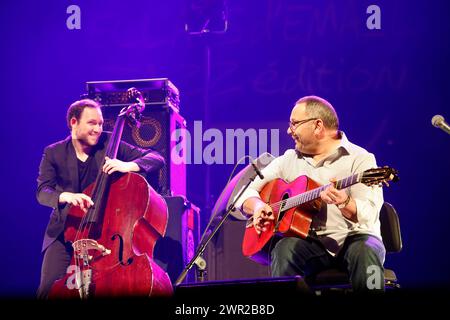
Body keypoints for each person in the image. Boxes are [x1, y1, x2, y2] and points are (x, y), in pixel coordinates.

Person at [238, 96, 386, 293]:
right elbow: (243, 194)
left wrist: (345, 202)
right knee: (284, 249)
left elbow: (369, 214)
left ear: (318, 126)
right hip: (312, 244)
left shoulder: (361, 160)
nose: (289, 130)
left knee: (366, 251)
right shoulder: (288, 160)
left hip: (355, 238)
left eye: (294, 124)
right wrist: (258, 207)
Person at [36, 98, 165, 298]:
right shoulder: (54, 152)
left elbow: (157, 158)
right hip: (66, 232)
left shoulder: (108, 144)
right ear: (73, 122)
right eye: (92, 123)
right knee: (48, 288)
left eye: (100, 124)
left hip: (104, 231)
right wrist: (66, 196)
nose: (98, 129)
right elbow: (43, 192)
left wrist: (128, 165)